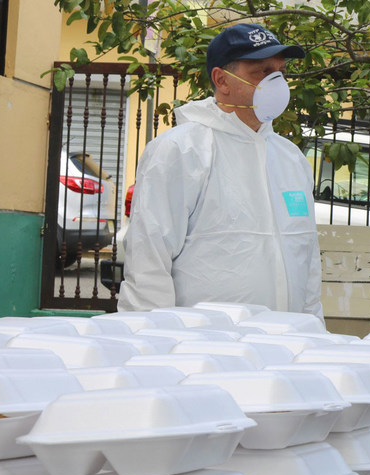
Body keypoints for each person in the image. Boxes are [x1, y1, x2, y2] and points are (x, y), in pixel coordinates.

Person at [119, 24, 322, 317]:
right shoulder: (181, 151)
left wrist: (313, 334)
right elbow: (148, 262)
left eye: (281, 72)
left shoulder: (290, 159)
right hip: (206, 350)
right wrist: (155, 343)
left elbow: (308, 263)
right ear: (222, 80)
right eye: (263, 72)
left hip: (283, 344)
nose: (277, 82)